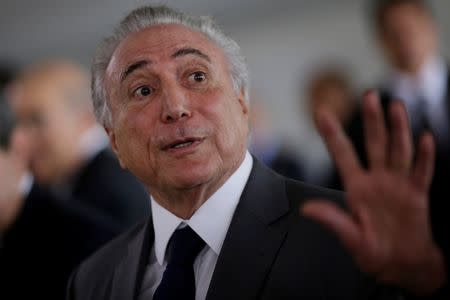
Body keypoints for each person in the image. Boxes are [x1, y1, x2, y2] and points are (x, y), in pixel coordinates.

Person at [66, 5, 447, 299]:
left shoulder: (356, 238)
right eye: (143, 90)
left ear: (242, 103)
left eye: (197, 76)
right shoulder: (92, 281)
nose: (175, 106)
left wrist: (422, 284)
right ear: (114, 139)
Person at [0, 61, 150, 299]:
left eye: (36, 121)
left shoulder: (107, 196)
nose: (22, 139)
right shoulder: (75, 182)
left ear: (84, 117)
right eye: (18, 124)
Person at [338, 0, 450, 276]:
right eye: (393, 32)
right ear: (380, 41)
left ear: (431, 28)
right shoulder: (363, 118)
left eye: (411, 28)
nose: (405, 39)